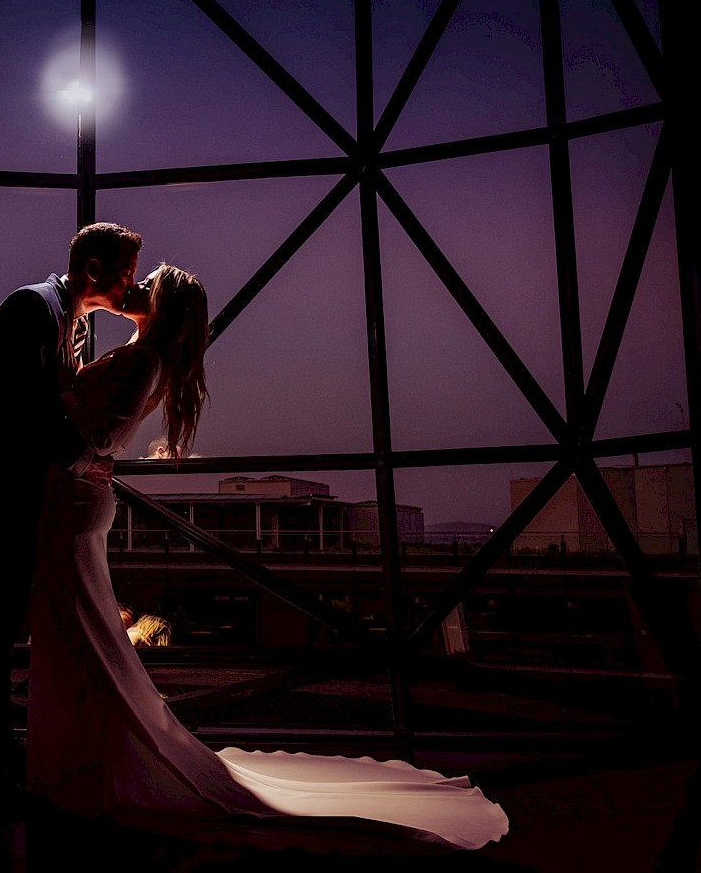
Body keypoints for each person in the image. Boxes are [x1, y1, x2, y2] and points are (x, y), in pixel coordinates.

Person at [25, 263, 510, 851]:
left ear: (165, 309)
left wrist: (72, 439)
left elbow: (98, 437)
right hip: (75, 502)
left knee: (81, 638)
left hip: (72, 504)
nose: (137, 289)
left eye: (149, 286)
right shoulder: (144, 356)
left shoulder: (144, 360)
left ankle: (88, 767)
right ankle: (84, 760)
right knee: (82, 638)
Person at [0, 222, 142, 815]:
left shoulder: (66, 321)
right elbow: (20, 405)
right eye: (128, 272)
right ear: (97, 269)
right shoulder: (27, 309)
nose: (132, 284)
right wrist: (83, 461)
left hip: (11, 488)